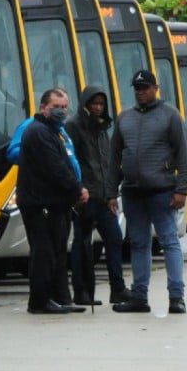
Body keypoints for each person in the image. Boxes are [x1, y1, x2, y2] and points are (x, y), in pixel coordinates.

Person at [106, 70, 187, 314]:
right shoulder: (125, 118)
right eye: (137, 88)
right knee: (138, 244)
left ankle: (176, 297)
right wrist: (111, 192)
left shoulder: (170, 116)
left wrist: (182, 189)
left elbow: (183, 155)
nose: (141, 92)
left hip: (162, 191)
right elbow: (114, 158)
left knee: (169, 241)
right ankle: (139, 296)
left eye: (145, 87)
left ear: (156, 88)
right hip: (132, 192)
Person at [17, 87, 88, 315]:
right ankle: (39, 302)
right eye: (56, 107)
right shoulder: (38, 132)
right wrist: (77, 189)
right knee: (44, 253)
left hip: (55, 203)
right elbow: (56, 168)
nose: (61, 111)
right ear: (43, 108)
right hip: (40, 203)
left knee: (57, 253)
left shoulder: (55, 131)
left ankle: (60, 298)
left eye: (64, 107)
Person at [65, 85, 128, 306]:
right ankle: (81, 291)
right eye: (94, 103)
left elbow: (108, 163)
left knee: (115, 238)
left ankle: (117, 288)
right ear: (86, 104)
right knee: (82, 244)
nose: (98, 108)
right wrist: (77, 190)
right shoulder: (73, 126)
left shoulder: (102, 129)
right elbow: (71, 161)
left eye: (101, 104)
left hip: (103, 196)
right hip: (84, 196)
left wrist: (111, 193)